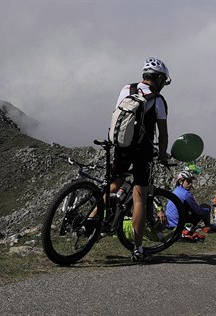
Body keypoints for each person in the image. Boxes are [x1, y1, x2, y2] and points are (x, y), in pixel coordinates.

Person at [88, 57, 170, 262]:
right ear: (159, 78)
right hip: (142, 151)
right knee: (140, 197)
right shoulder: (158, 100)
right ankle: (138, 248)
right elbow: (163, 134)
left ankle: (91, 218)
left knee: (114, 183)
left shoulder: (127, 89)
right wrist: (161, 154)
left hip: (120, 146)